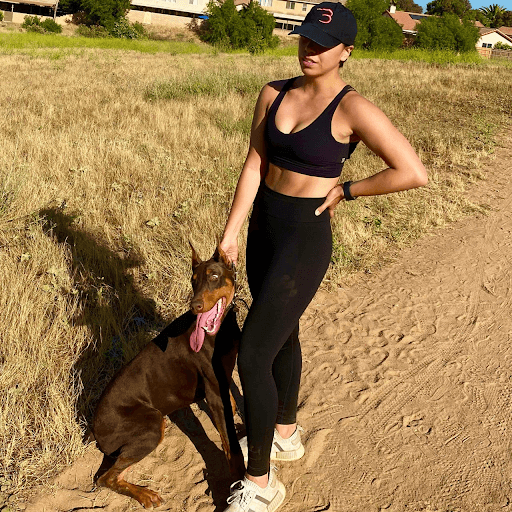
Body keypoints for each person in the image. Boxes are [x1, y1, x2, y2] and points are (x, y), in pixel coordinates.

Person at [219, 3, 428, 511]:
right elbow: (254, 162)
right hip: (264, 228)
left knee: (252, 354)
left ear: (346, 52)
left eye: (322, 43)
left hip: (304, 237)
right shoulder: (274, 92)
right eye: (305, 38)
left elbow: (412, 171)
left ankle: (262, 482)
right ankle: (285, 431)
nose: (310, 49)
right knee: (281, 333)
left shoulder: (353, 109)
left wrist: (350, 190)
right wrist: (229, 234)